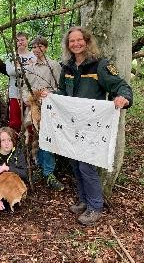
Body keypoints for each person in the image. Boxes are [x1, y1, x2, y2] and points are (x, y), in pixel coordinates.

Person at [42, 26, 133, 226]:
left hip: (92, 127)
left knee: (86, 166)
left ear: (87, 41)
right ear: (68, 45)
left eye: (79, 40)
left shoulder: (100, 65)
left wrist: (123, 98)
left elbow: (121, 85)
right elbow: (62, 93)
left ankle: (95, 206)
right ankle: (83, 200)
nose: (76, 44)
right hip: (71, 126)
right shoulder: (66, 67)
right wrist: (51, 97)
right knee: (75, 164)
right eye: (71, 41)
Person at [23, 36, 64, 191]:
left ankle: (49, 172)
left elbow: (59, 87)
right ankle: (38, 166)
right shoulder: (29, 66)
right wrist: (27, 98)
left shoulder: (53, 65)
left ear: (45, 48)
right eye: (34, 47)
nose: (36, 49)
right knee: (34, 136)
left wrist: (48, 95)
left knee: (48, 137)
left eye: (40, 46)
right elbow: (24, 87)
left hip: (49, 108)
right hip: (32, 107)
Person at [5, 32, 37, 132]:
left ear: (27, 40)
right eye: (17, 41)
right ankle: (13, 144)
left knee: (31, 120)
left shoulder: (33, 55)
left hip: (30, 92)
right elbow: (10, 71)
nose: (20, 42)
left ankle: (31, 145)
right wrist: (28, 67)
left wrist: (19, 67)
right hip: (15, 92)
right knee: (15, 122)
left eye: (22, 40)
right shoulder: (11, 56)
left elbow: (35, 71)